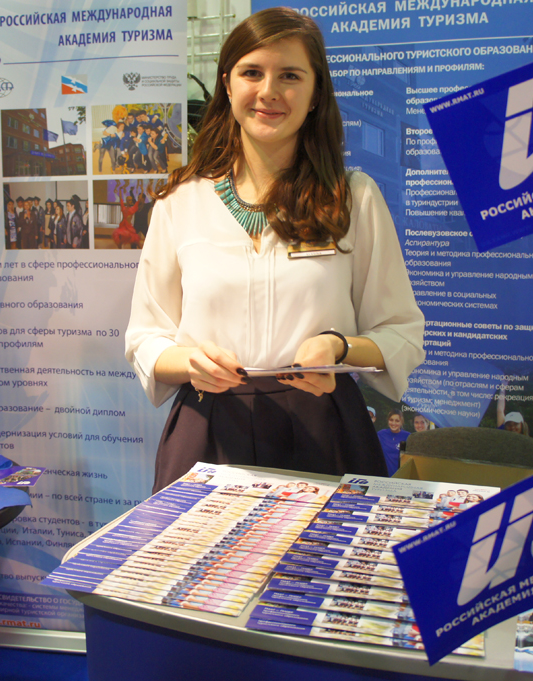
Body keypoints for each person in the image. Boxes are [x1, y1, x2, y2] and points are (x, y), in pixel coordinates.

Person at [124, 8, 425, 491]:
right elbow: (146, 338)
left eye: (289, 75)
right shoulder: (180, 200)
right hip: (208, 429)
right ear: (227, 84)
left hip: (323, 428)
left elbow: (400, 331)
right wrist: (191, 363)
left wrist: (339, 347)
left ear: (315, 92)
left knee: (323, 544)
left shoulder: (353, 197)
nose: (268, 91)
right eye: (252, 73)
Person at [377, 409, 409, 476]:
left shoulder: (408, 436)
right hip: (384, 476)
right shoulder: (381, 434)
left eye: (397, 421)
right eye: (391, 420)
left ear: (401, 422)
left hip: (401, 476)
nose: (393, 423)